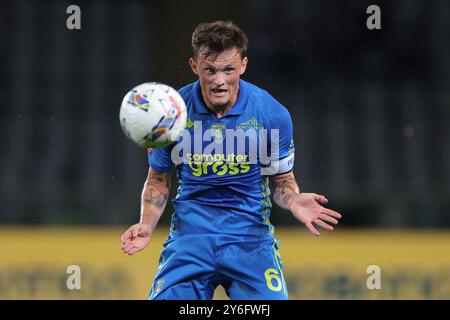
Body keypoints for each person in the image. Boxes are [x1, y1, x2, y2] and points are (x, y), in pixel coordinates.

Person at [120, 20, 342, 300]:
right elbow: (159, 179)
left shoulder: (271, 114)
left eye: (229, 69)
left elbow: (282, 182)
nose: (219, 80)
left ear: (244, 65)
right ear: (194, 66)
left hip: (250, 242)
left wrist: (293, 199)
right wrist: (146, 225)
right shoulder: (171, 114)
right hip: (191, 241)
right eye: (209, 70)